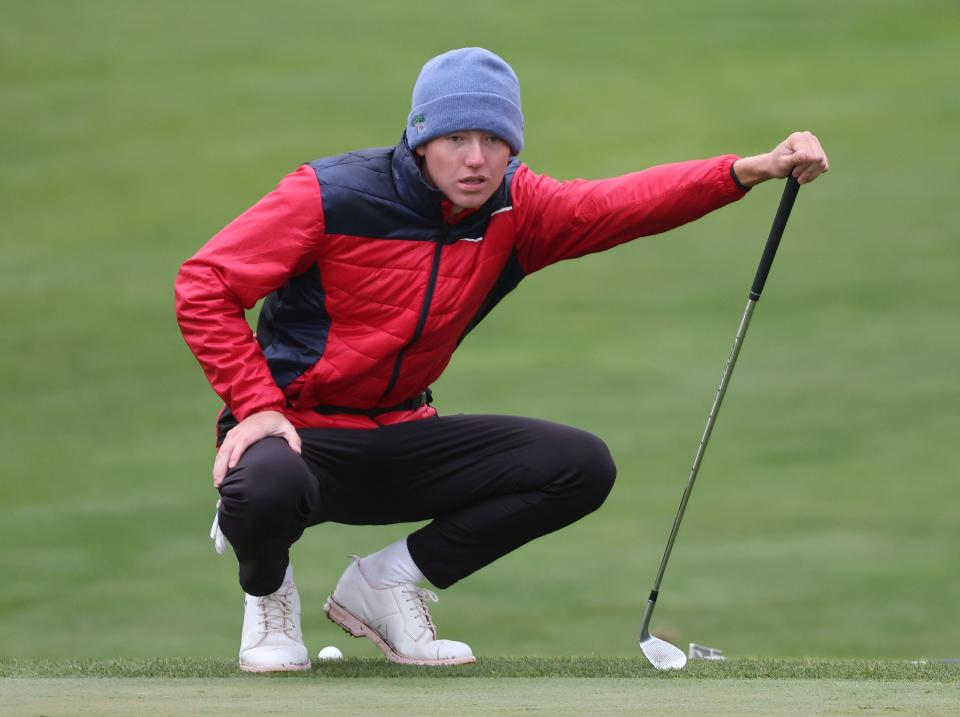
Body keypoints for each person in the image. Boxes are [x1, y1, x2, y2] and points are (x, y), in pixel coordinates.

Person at [174, 47, 828, 672]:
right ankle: (269, 599)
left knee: (578, 465)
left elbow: (620, 205)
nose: (476, 159)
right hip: (299, 434)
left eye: (494, 141)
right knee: (263, 487)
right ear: (421, 138)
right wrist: (256, 406)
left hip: (404, 434)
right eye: (457, 139)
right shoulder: (330, 193)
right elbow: (205, 283)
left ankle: (388, 582)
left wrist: (749, 170)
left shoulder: (517, 209)